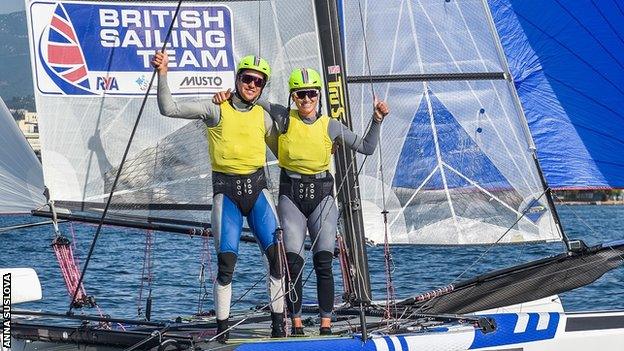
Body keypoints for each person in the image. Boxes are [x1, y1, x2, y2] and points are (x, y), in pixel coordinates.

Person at [212, 67, 389, 336]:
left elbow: (367, 147)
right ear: (293, 97)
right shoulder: (283, 117)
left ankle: (326, 325)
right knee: (292, 263)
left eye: (311, 95)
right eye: (300, 95)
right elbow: (250, 95)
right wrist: (225, 96)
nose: (306, 100)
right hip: (291, 194)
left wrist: (377, 120)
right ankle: (295, 325)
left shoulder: (330, 125)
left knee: (323, 263)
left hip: (322, 196)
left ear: (318, 96)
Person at [151, 52, 285, 341]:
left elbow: (287, 154)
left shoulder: (264, 117)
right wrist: (163, 73)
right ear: (237, 79)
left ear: (263, 87)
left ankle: (279, 326)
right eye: (247, 78)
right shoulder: (216, 109)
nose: (252, 84)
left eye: (258, 82)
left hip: (258, 191)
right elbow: (168, 109)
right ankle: (222, 331)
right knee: (227, 264)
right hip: (227, 195)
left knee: (277, 260)